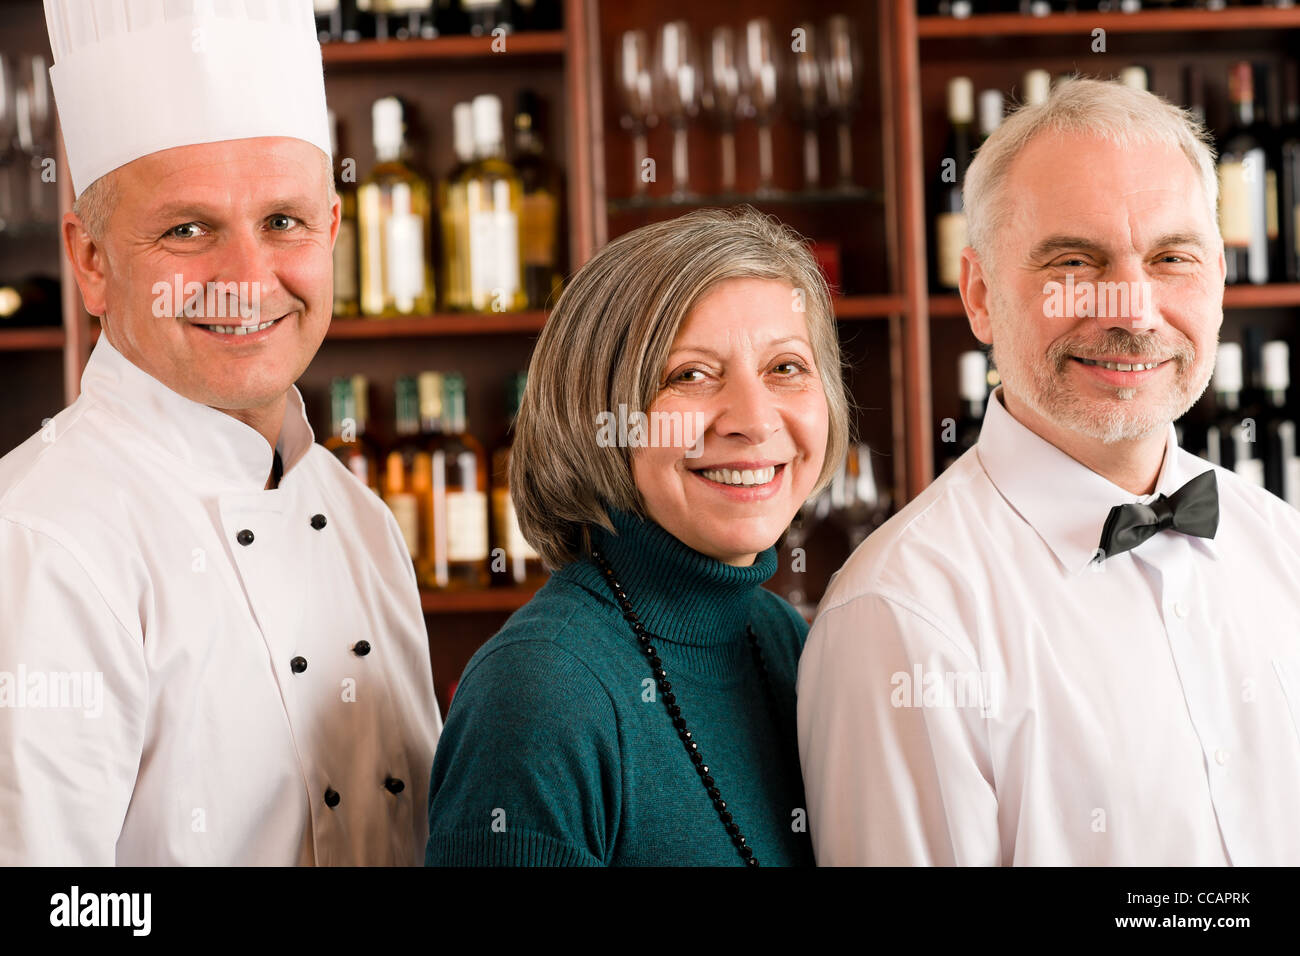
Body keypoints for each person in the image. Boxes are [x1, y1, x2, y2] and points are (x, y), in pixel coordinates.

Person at [798, 77, 1300, 866]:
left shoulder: (1285, 545)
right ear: (980, 296)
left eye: (1172, 257)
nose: (1132, 312)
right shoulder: (901, 618)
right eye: (1075, 261)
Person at [0, 0, 441, 865]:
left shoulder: (363, 523)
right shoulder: (38, 543)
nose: (246, 280)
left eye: (284, 221)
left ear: (333, 235)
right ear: (91, 261)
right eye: (187, 229)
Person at [425, 207, 851, 865]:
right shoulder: (539, 694)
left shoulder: (782, 639)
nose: (753, 420)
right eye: (690, 374)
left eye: (785, 368)